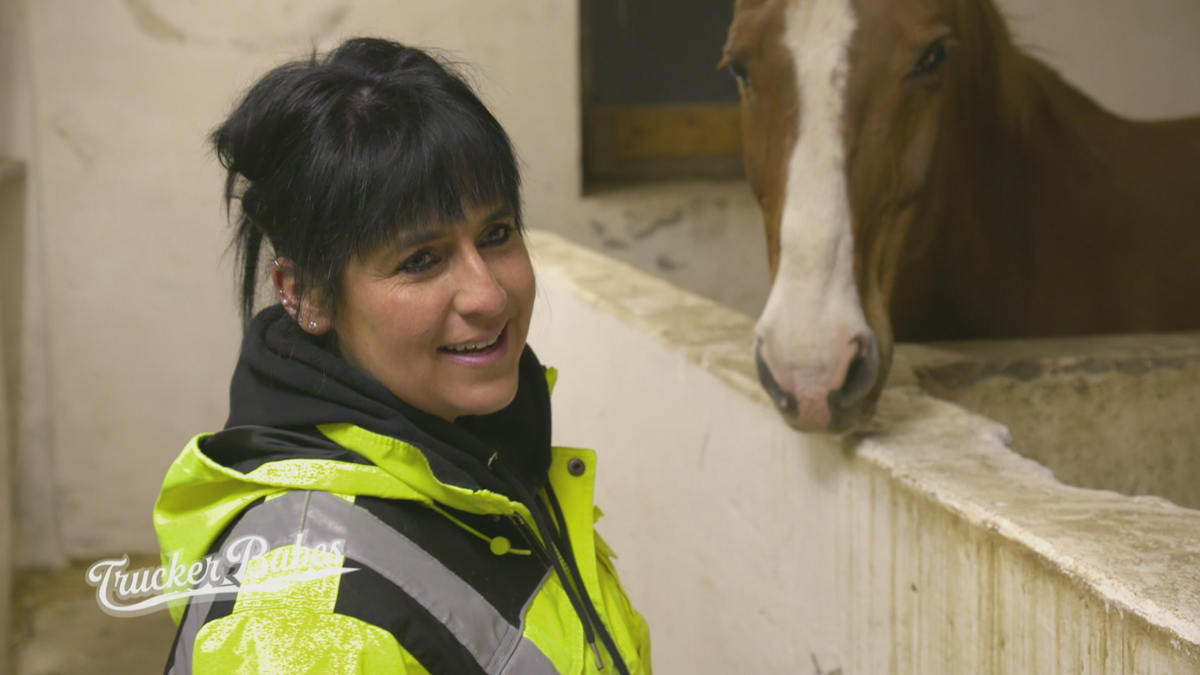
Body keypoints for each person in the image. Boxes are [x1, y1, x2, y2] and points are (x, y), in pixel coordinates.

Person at [153, 37, 651, 675]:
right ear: (303, 292)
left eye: (496, 235)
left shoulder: (481, 458)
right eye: (420, 260)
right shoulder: (301, 629)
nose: (488, 294)